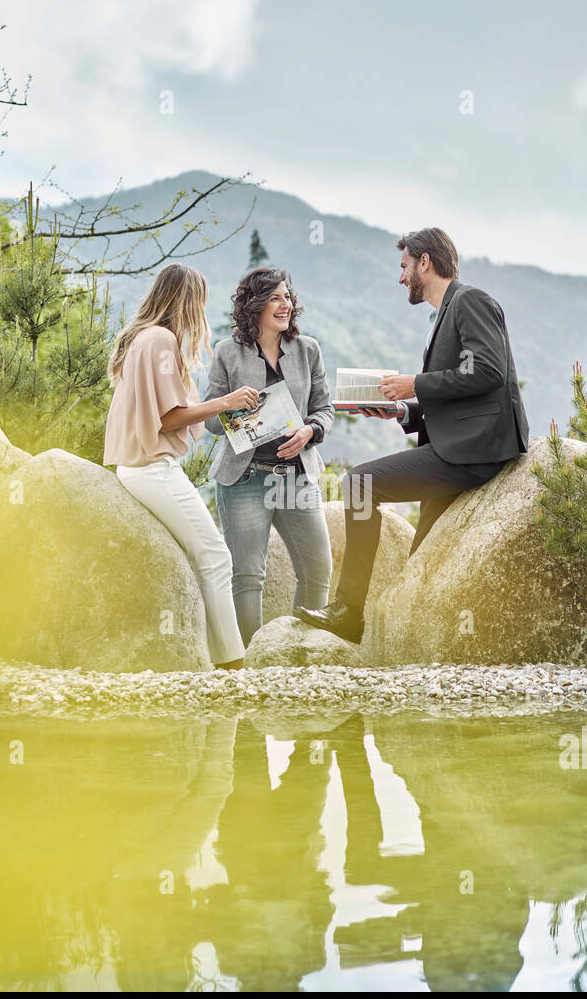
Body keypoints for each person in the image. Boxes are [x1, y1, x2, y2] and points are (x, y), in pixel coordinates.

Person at [294, 228, 529, 643]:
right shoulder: (445, 312)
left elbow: (489, 372)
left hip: (477, 450)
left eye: (404, 266)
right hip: (461, 446)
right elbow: (459, 396)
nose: (400, 277)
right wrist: (401, 410)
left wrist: (414, 384)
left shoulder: (470, 301)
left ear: (425, 262)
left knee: (359, 483)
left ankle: (348, 611)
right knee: (421, 556)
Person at [103, 263, 258, 669]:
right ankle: (232, 665)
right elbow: (169, 418)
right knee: (216, 557)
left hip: (138, 468)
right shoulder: (160, 340)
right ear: (188, 301)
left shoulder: (142, 337)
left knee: (206, 557)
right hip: (153, 469)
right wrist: (226, 402)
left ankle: (219, 658)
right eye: (199, 301)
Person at [205, 268, 335, 646]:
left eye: (287, 297)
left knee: (317, 570)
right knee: (248, 577)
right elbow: (210, 421)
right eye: (275, 298)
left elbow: (324, 410)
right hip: (245, 477)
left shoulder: (308, 349)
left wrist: (311, 431)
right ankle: (253, 662)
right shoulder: (227, 352)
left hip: (297, 477)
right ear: (255, 305)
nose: (285, 305)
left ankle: (302, 653)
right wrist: (230, 405)